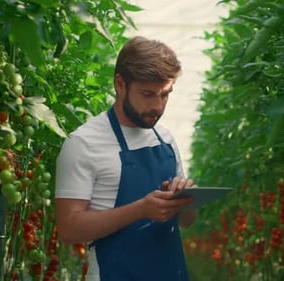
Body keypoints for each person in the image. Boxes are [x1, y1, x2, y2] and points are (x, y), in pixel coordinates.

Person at [54, 36, 197, 281]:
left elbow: (186, 221)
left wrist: (186, 198)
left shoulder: (165, 140)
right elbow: (68, 228)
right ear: (120, 85)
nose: (158, 106)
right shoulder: (83, 143)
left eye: (165, 95)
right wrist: (141, 209)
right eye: (147, 94)